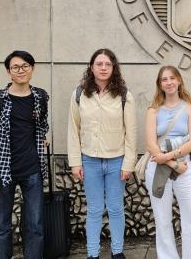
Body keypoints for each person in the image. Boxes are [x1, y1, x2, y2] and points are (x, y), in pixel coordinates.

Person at [0, 50, 49, 259]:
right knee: (1, 227)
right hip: (3, 171)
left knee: (35, 225)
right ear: (9, 72)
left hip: (33, 170)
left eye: (26, 66)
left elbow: (42, 124)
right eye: (16, 67)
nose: (21, 70)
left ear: (32, 69)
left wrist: (42, 137)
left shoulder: (40, 97)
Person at [67, 48, 137, 259]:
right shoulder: (80, 94)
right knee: (95, 210)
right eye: (99, 64)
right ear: (92, 67)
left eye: (108, 64)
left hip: (117, 161)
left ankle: (117, 252)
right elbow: (73, 129)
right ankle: (92, 253)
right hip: (89, 160)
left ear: (113, 67)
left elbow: (131, 132)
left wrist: (128, 164)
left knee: (116, 209)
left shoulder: (124, 95)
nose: (103, 68)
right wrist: (75, 162)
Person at [144, 65, 191, 259]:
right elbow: (150, 144)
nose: (169, 82)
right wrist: (172, 163)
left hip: (186, 168)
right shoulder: (153, 111)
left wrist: (172, 158)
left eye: (172, 78)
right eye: (164, 79)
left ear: (179, 81)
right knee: (162, 219)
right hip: (158, 168)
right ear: (160, 84)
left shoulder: (190, 109)